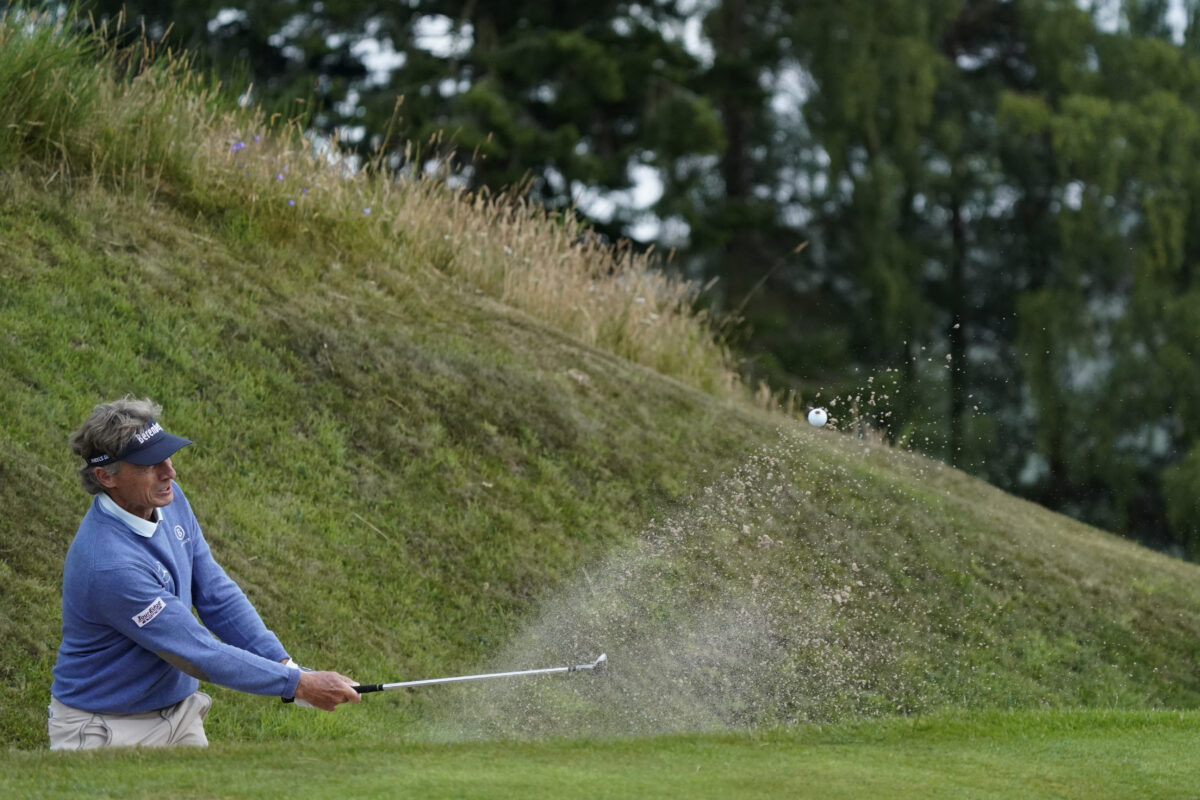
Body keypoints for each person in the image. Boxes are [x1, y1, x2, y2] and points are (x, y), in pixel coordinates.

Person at [48, 397, 360, 750]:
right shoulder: (109, 564)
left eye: (167, 456)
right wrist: (297, 684)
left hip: (179, 717)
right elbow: (196, 651)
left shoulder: (169, 499)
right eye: (151, 464)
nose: (170, 472)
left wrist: (286, 664)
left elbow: (214, 592)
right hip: (105, 731)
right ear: (106, 476)